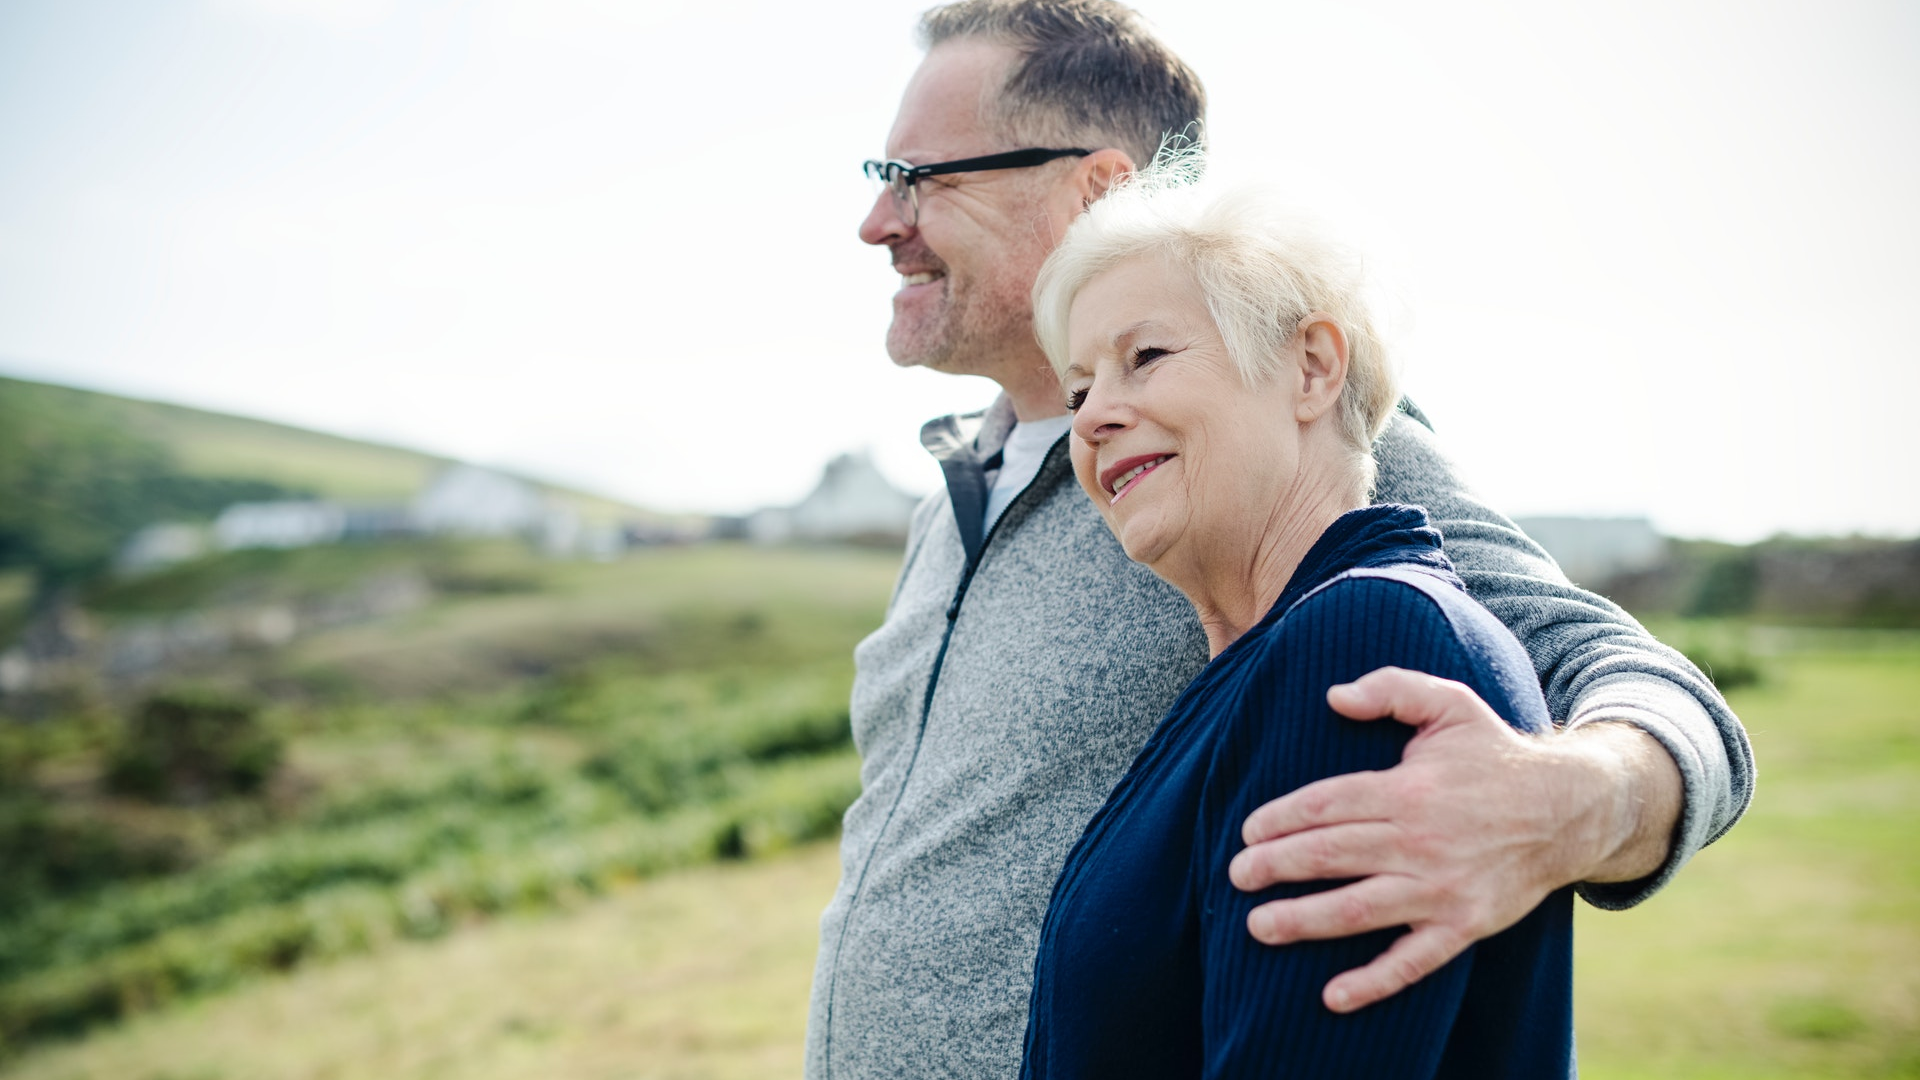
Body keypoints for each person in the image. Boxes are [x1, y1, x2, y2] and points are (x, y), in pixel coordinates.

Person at [806, 3, 1753, 1077]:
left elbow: (1625, 674)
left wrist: (1577, 801)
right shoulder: (956, 495)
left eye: (919, 175)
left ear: (1101, 190)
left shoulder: (1268, 441)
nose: (879, 222)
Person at [1021, 170, 1571, 1078]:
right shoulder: (1260, 669)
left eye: (1145, 356)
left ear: (1313, 368)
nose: (1095, 420)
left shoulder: (1363, 643)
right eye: (1079, 393)